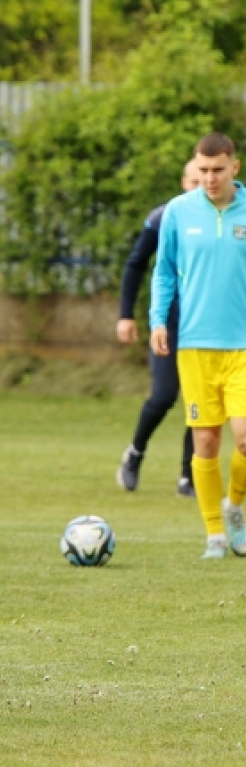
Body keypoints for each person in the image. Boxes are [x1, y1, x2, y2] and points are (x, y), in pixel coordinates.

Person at [151, 131, 246, 559]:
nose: (209, 178)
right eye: (203, 170)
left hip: (242, 345)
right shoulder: (178, 212)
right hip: (195, 345)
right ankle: (215, 534)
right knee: (205, 442)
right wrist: (158, 320)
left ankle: (237, 509)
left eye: (218, 170)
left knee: (244, 439)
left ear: (234, 168)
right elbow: (164, 272)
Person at [117, 160, 201, 498]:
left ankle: (188, 475)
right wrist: (126, 315)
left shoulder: (229, 220)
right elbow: (137, 264)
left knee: (201, 402)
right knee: (165, 395)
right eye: (194, 180)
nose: (201, 186)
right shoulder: (166, 217)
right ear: (184, 181)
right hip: (170, 321)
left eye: (207, 177)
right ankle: (135, 452)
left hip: (206, 324)